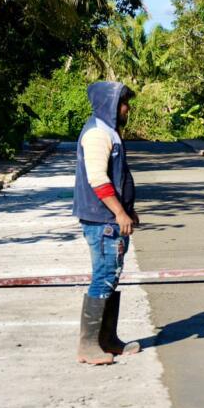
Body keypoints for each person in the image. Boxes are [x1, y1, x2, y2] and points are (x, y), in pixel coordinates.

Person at [73, 82, 140, 365]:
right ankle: (88, 346)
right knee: (103, 275)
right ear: (111, 105)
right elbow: (98, 179)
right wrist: (119, 213)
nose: (127, 108)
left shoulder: (109, 130)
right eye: (123, 103)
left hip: (110, 218)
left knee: (111, 274)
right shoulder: (98, 134)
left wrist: (128, 210)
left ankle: (108, 340)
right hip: (102, 220)